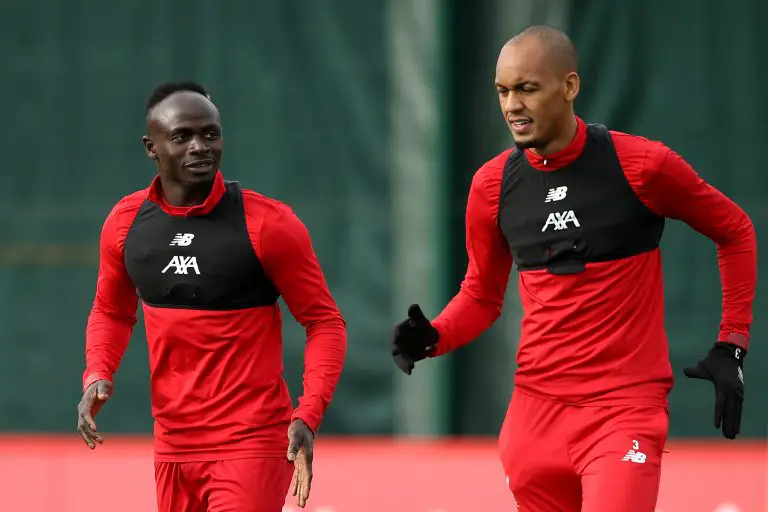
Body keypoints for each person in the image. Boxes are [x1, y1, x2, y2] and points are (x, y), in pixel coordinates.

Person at [390, 25, 756, 512]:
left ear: (569, 87)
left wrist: (732, 342)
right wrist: (435, 337)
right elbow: (481, 295)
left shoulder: (643, 166)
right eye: (502, 91)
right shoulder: (491, 186)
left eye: (527, 88)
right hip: (533, 419)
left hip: (622, 411)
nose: (512, 105)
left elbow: (735, 229)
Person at [76, 81, 347, 512]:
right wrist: (97, 372)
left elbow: (324, 322)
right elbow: (111, 310)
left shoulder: (269, 224)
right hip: (172, 446)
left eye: (211, 134)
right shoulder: (126, 224)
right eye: (183, 136)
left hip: (252, 441)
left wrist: (307, 413)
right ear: (151, 147)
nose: (201, 146)